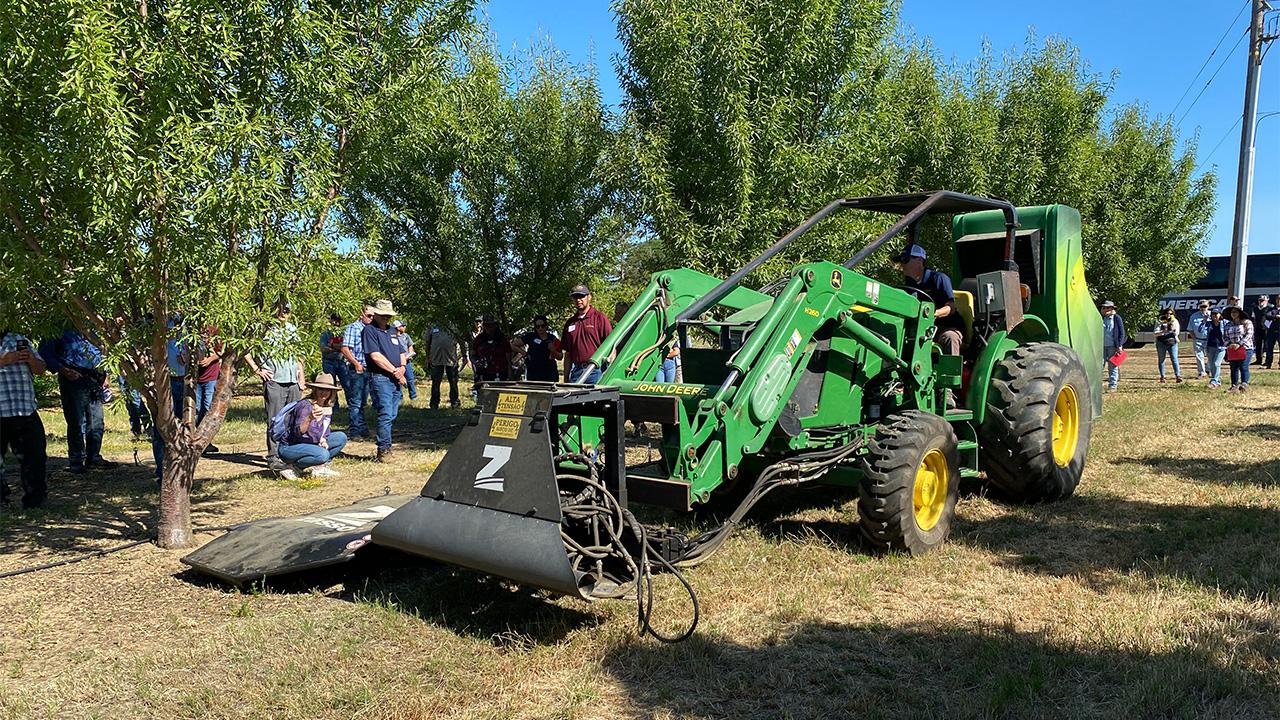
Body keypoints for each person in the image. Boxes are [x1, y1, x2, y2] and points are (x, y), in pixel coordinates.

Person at [38, 328, 117, 473]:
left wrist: (106, 373)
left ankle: (93, 457)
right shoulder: (56, 326)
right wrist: (63, 370)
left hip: (94, 377)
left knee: (97, 421)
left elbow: (102, 350)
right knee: (76, 421)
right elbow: (45, 353)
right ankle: (76, 461)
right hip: (73, 377)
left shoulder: (91, 324)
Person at [244, 303, 306, 472]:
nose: (283, 313)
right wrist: (257, 370)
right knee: (275, 419)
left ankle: (289, 453)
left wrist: (302, 377)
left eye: (287, 310)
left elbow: (299, 354)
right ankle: (273, 456)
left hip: (293, 381)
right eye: (281, 309)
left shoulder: (292, 329)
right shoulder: (263, 330)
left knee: (293, 420)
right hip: (275, 381)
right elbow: (245, 349)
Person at [0, 330, 48, 508]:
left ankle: (35, 501)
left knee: (35, 457)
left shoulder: (19, 339)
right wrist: (4, 360)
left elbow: (41, 369)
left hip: (25, 410)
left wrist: (30, 359)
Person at [276, 372, 347, 480]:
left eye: (327, 390)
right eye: (320, 389)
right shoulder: (305, 405)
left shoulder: (326, 406)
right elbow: (298, 433)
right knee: (323, 455)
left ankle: (318, 468)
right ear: (315, 390)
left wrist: (323, 439)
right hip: (291, 446)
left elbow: (325, 430)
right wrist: (310, 418)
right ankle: (292, 467)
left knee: (341, 437)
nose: (324, 392)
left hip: (310, 443)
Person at [895, 244, 963, 355]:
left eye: (905, 260)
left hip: (943, 327)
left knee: (950, 337)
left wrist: (933, 314)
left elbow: (951, 307)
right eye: (901, 261)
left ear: (919, 260)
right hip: (918, 328)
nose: (902, 265)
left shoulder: (939, 278)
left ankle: (950, 371)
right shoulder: (908, 285)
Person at [362, 299, 407, 461]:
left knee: (392, 414)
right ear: (376, 314)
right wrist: (396, 371)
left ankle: (385, 444)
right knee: (386, 413)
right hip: (380, 378)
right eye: (383, 315)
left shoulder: (393, 331)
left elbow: (402, 351)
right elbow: (376, 356)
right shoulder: (370, 331)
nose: (386, 318)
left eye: (388, 315)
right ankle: (384, 450)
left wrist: (402, 367)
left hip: (395, 378)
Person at [562, 285, 613, 383]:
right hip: (576, 372)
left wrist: (609, 367)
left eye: (581, 296)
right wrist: (565, 378)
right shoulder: (570, 323)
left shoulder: (600, 318)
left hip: (596, 371)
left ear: (589, 297)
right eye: (575, 297)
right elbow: (567, 354)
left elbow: (612, 345)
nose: (578, 300)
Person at [339, 306, 373, 438]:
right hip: (357, 368)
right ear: (362, 315)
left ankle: (362, 426)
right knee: (356, 401)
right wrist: (356, 363)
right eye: (369, 315)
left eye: (373, 316)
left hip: (368, 369)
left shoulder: (371, 329)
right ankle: (354, 430)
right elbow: (345, 348)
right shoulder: (353, 328)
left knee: (363, 400)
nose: (371, 318)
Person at [513, 315, 562, 382]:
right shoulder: (530, 336)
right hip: (533, 373)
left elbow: (560, 357)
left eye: (542, 326)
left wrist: (553, 350)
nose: (540, 328)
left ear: (546, 326)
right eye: (537, 326)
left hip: (549, 373)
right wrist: (524, 353)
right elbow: (513, 345)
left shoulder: (553, 338)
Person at [426, 324, 463, 409]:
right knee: (435, 383)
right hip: (436, 359)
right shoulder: (432, 326)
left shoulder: (453, 326)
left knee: (453, 382)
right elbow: (428, 342)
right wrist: (428, 357)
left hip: (451, 360)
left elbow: (460, 341)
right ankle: (434, 404)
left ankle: (455, 402)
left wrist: (464, 356)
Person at [471, 316, 512, 383]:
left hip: (500, 373)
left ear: (495, 325)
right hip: (484, 373)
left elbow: (509, 360)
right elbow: (473, 355)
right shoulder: (479, 339)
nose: (488, 328)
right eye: (486, 325)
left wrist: (509, 376)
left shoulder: (502, 339)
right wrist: (477, 362)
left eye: (490, 325)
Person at [1224, 305, 1254, 392]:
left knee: (1243, 366)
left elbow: (1249, 334)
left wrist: (1239, 344)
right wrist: (1229, 344)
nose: (1233, 314)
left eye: (1235, 312)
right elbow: (1224, 336)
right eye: (1232, 312)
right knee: (1233, 367)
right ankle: (1234, 386)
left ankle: (1244, 384)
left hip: (1245, 348)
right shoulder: (1228, 324)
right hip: (1232, 348)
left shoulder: (1246, 322)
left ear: (1240, 313)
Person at [318, 313, 344, 410]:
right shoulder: (325, 334)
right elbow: (323, 348)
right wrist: (337, 348)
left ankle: (351, 405)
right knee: (330, 385)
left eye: (339, 320)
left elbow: (345, 347)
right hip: (328, 361)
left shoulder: (343, 333)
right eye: (335, 320)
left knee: (347, 384)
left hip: (341, 361)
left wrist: (332, 346)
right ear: (331, 320)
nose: (337, 322)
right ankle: (334, 405)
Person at [1100, 300, 1126, 392]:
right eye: (1104, 308)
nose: (1106, 309)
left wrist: (1119, 345)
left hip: (1113, 346)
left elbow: (1122, 333)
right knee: (1100, 366)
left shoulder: (1116, 318)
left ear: (1112, 309)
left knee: (1113, 366)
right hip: (1101, 346)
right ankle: (1098, 385)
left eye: (1108, 308)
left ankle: (1112, 386)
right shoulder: (1101, 318)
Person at [1154, 307, 1183, 384]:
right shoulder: (1160, 321)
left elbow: (1177, 332)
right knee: (1161, 360)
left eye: (1170, 313)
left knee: (1174, 359)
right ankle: (1162, 376)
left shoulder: (1175, 321)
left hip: (1172, 342)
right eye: (1167, 313)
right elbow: (1155, 333)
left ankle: (1178, 376)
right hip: (1161, 342)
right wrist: (1164, 331)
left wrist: (1172, 329)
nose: (1168, 315)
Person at [1186, 300, 1214, 379]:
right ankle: (1202, 372)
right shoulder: (1194, 316)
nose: (1203, 308)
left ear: (1208, 306)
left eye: (1205, 306)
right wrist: (1194, 338)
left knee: (1211, 356)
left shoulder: (1213, 315)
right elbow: (1190, 328)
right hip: (1198, 339)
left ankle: (1208, 369)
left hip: (1210, 339)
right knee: (1199, 356)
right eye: (1201, 306)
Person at [392, 320, 418, 401]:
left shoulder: (406, 336)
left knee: (410, 379)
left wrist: (409, 354)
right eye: (403, 326)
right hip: (396, 362)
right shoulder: (392, 336)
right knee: (398, 379)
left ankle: (413, 396)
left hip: (407, 362)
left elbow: (410, 346)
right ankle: (399, 397)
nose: (404, 327)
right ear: (398, 327)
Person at [1205, 308, 1228, 389]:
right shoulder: (1208, 323)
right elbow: (1201, 330)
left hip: (1221, 347)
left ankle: (1214, 380)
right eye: (1213, 314)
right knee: (1211, 365)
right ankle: (1217, 381)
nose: (1215, 315)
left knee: (1216, 364)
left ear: (1220, 315)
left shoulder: (1225, 323)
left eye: (1216, 314)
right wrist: (1204, 321)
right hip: (1210, 346)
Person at [1250, 295, 1270, 366]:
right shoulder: (1255, 309)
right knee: (1258, 345)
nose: (1260, 302)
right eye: (1259, 300)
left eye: (1262, 300)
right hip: (1258, 329)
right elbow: (1253, 318)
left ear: (1266, 301)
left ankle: (1268, 361)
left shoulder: (1269, 308)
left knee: (1267, 345)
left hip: (1266, 329)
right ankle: (1258, 360)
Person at [1262, 296, 1280, 369]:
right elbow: (1268, 315)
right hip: (1272, 331)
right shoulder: (1272, 309)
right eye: (1278, 299)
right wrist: (1276, 317)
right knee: (1269, 348)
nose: (1279, 300)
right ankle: (1268, 363)